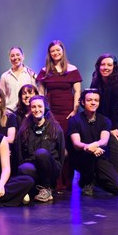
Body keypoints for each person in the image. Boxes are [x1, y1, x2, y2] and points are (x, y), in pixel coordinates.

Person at [36, 40, 82, 190]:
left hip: (68, 112)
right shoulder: (45, 71)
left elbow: (77, 92)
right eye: (52, 51)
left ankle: (67, 181)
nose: (55, 53)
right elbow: (41, 94)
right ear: (49, 53)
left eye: (58, 50)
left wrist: (75, 110)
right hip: (51, 112)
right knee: (54, 145)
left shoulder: (72, 69)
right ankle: (56, 181)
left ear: (63, 51)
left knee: (68, 145)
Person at [68, 89, 118, 196]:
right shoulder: (74, 120)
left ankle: (94, 180)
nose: (93, 103)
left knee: (117, 188)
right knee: (87, 157)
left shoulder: (105, 120)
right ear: (83, 102)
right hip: (81, 157)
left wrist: (94, 145)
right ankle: (87, 181)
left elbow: (104, 141)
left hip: (98, 156)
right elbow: (76, 143)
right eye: (89, 100)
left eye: (96, 100)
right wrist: (88, 147)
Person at [17, 96, 65, 203]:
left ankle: (46, 189)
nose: (36, 109)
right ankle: (35, 189)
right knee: (24, 168)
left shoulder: (55, 128)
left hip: (51, 168)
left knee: (41, 153)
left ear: (45, 108)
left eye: (40, 106)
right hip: (33, 166)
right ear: (30, 109)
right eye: (33, 107)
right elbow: (20, 153)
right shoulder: (24, 129)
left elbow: (61, 153)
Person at [90, 54, 118, 175]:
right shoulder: (95, 79)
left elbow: (112, 109)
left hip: (113, 119)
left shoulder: (117, 86)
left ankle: (115, 178)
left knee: (113, 143)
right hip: (98, 117)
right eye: (103, 64)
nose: (105, 67)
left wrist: (111, 128)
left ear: (114, 67)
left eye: (109, 65)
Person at [0, 46, 37, 112]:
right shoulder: (4, 76)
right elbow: (1, 97)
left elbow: (36, 94)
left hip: (28, 111)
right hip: (10, 111)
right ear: (9, 58)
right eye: (12, 55)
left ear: (23, 56)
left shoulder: (31, 74)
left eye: (18, 55)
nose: (15, 57)